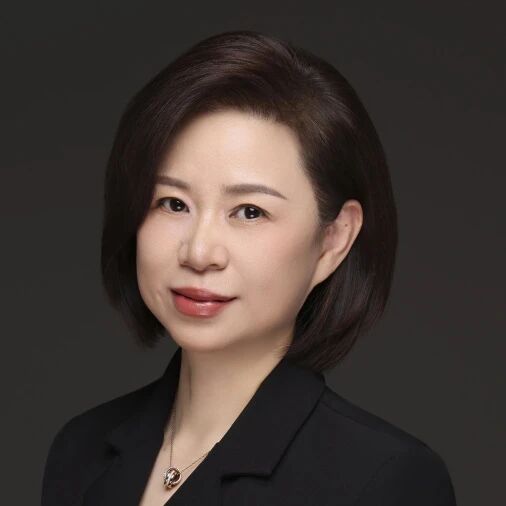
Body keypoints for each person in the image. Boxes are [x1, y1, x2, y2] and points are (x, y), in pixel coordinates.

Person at [41, 30, 457, 505]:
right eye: (173, 203)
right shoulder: (81, 450)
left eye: (250, 212)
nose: (199, 252)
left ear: (333, 238)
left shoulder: (384, 479)